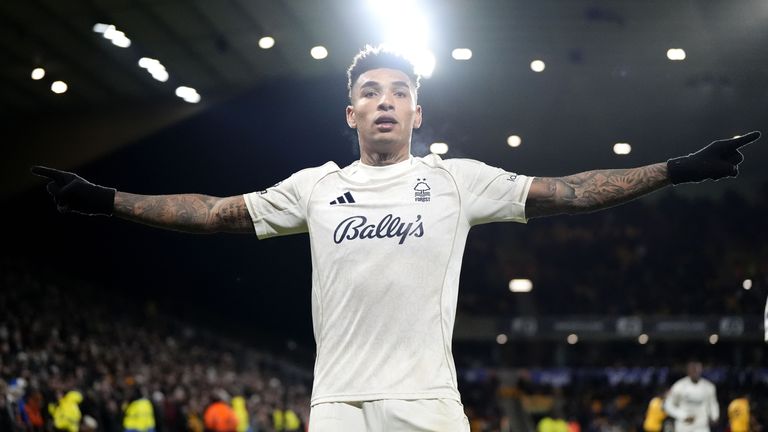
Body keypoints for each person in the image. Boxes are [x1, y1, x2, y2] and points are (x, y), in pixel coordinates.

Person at [32, 45, 760, 432]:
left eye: (400, 92)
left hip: (428, 403)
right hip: (339, 406)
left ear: (418, 113)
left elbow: (567, 192)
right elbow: (215, 211)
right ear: (351, 113)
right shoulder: (314, 187)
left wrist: (673, 169)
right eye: (372, 92)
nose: (386, 100)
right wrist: (107, 199)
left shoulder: (456, 181)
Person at [663, 361, 719, 432]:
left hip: (702, 426)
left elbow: (713, 403)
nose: (695, 371)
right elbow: (668, 405)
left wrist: (715, 416)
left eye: (697, 369)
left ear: (701, 370)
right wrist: (683, 416)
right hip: (684, 426)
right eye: (692, 369)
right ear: (688, 371)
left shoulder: (709, 387)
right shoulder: (679, 386)